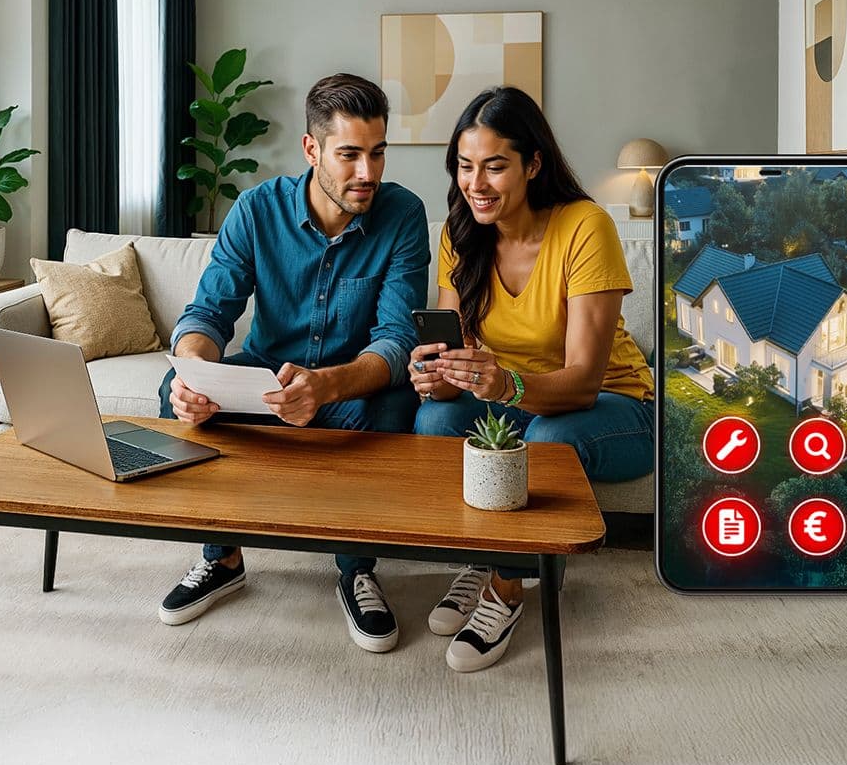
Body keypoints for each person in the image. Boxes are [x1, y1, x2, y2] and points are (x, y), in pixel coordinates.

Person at [154, 73, 429, 654]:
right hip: (265, 376)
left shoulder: (403, 214)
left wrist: (325, 386)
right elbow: (207, 313)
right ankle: (222, 558)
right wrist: (192, 373)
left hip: (351, 383)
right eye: (350, 154)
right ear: (312, 149)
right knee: (170, 393)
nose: (368, 173)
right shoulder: (256, 211)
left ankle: (356, 569)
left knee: (397, 405)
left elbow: (397, 340)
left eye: (378, 153)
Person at [407, 86, 655, 672]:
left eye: (495, 166)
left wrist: (504, 386)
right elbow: (462, 354)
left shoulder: (584, 226)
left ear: (533, 164)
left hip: (613, 408)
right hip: (517, 396)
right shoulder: (460, 234)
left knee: (547, 442)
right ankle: (483, 553)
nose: (477, 184)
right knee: (434, 418)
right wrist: (441, 375)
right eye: (465, 167)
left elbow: (582, 384)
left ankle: (507, 586)